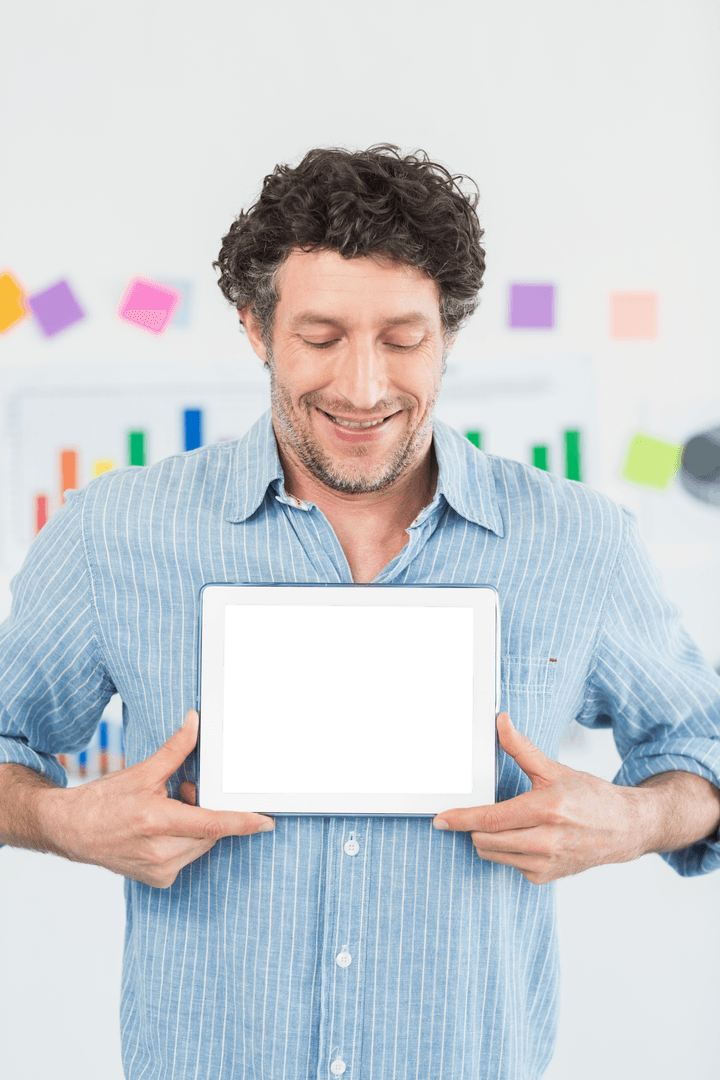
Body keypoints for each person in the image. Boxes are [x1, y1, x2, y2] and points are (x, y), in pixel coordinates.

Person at [1, 144, 720, 1080]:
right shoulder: (114, 531)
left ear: (450, 334)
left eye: (402, 338)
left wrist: (633, 820)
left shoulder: (577, 540)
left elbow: (701, 750)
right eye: (322, 335)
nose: (364, 388)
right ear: (257, 328)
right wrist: (63, 821)